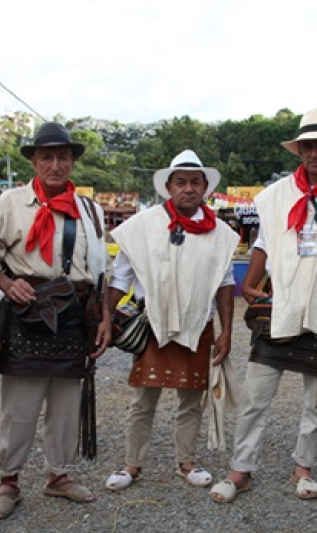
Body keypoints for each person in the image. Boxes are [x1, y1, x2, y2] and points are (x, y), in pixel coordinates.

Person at [210, 109, 317, 503]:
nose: (315, 152)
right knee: (255, 394)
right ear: (299, 150)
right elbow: (265, 243)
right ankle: (241, 468)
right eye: (308, 145)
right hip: (280, 305)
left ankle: (304, 465)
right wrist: (250, 283)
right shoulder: (275, 196)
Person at [0, 122, 106, 518]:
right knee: (20, 404)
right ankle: (9, 480)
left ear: (72, 161)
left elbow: (100, 269)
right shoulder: (11, 202)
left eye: (63, 157)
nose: (56, 164)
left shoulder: (89, 210)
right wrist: (6, 281)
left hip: (75, 313)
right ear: (35, 161)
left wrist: (103, 316)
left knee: (66, 403)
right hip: (27, 311)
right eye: (47, 157)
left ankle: (59, 475)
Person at [99, 150, 239, 491]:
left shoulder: (220, 233)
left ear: (205, 186)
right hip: (153, 323)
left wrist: (226, 331)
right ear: (168, 187)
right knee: (143, 398)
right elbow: (120, 279)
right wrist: (105, 317)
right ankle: (132, 464)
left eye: (195, 182)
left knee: (191, 398)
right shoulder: (141, 228)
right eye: (181, 182)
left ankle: (186, 462)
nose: (188, 189)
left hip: (198, 323)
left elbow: (224, 284)